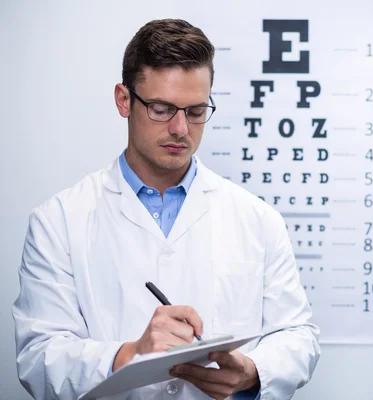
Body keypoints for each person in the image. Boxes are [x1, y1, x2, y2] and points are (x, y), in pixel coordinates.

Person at [12, 18, 320, 400]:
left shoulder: (258, 219)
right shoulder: (58, 221)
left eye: (195, 111)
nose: (180, 129)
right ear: (124, 100)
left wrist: (252, 372)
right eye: (161, 108)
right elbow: (39, 357)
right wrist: (130, 354)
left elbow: (298, 335)